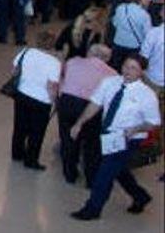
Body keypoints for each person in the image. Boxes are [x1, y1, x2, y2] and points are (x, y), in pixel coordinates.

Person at [69, 55, 160, 221]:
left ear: (142, 72)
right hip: (108, 135)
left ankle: (92, 209)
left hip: (128, 139)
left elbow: (153, 122)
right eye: (126, 66)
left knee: (104, 172)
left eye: (133, 68)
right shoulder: (110, 82)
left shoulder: (147, 95)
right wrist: (80, 123)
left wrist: (137, 128)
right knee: (119, 170)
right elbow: (95, 103)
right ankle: (140, 196)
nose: (127, 71)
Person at [57, 44, 117, 187]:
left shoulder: (73, 62)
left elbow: (62, 76)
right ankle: (91, 179)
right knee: (92, 145)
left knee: (68, 140)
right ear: (107, 58)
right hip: (91, 108)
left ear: (90, 53)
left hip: (67, 102)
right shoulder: (112, 74)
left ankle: (69, 174)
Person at [10, 42, 61, 171]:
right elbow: (51, 86)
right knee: (37, 132)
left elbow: (14, 71)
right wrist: (55, 101)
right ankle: (31, 160)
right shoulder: (54, 62)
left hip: (22, 94)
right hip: (41, 100)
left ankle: (16, 154)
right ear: (51, 46)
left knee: (19, 126)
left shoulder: (25, 52)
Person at [109, 0, 151, 71]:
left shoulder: (120, 7)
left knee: (115, 67)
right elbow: (148, 33)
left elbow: (115, 23)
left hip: (118, 42)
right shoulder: (144, 14)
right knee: (129, 69)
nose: (149, 0)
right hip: (134, 46)